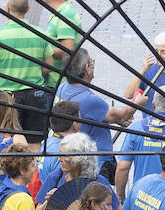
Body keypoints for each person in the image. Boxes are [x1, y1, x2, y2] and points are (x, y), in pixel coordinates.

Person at [57, 48, 142, 181]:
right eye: (92, 63)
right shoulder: (89, 99)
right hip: (96, 161)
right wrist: (139, 102)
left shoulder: (62, 87)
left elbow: (90, 116)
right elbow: (122, 115)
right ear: (87, 68)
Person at [0, 0, 54, 139]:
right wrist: (34, 74)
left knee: (8, 140)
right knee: (36, 140)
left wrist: (1, 79)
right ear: (28, 9)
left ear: (7, 7)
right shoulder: (40, 34)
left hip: (8, 98)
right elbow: (49, 65)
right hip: (36, 96)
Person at [41, 0, 82, 75]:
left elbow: (66, 51)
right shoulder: (60, 12)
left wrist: (42, 48)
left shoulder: (65, 15)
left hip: (60, 81)